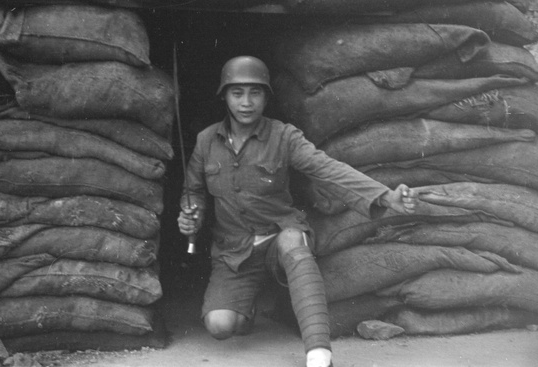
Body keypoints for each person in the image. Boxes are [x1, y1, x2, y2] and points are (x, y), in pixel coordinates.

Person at [178, 56, 417, 367]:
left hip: (279, 238)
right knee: (221, 327)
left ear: (266, 97)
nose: (247, 102)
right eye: (237, 93)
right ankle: (248, 307)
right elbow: (193, 191)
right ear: (224, 96)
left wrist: (384, 197)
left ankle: (319, 353)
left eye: (256, 93)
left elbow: (326, 169)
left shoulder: (284, 136)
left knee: (293, 241)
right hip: (234, 252)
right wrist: (187, 215)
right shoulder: (206, 140)